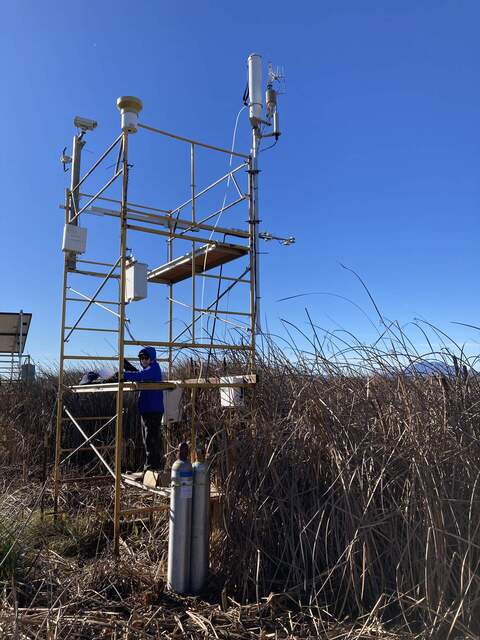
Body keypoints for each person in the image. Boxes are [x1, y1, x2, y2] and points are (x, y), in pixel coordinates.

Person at [123, 346, 165, 472]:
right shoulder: (148, 370)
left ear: (151, 358)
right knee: (147, 440)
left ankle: (152, 468)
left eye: (146, 358)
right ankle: (150, 468)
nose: (143, 360)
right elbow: (140, 374)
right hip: (147, 410)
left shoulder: (154, 369)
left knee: (151, 440)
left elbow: (141, 375)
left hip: (153, 410)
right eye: (141, 358)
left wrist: (123, 374)